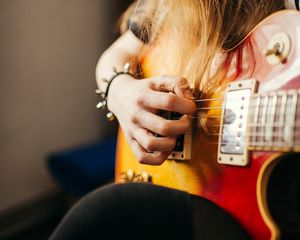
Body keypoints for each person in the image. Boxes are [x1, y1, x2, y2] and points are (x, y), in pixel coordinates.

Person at [50, 1, 299, 239]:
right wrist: (119, 91)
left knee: (103, 214)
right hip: (193, 194)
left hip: (271, 208)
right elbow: (118, 52)